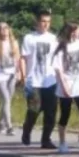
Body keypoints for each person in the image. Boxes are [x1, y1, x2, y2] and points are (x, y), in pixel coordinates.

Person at [20, 10, 59, 149]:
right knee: (34, 109)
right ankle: (27, 130)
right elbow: (23, 58)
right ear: (37, 22)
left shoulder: (53, 39)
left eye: (48, 22)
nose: (45, 24)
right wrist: (24, 76)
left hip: (50, 80)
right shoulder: (29, 38)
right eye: (43, 21)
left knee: (51, 112)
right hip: (34, 79)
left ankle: (46, 139)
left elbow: (58, 59)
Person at [52, 22, 79, 154]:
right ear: (72, 32)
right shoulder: (61, 47)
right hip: (66, 84)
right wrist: (64, 86)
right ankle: (62, 142)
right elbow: (58, 70)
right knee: (65, 115)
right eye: (78, 30)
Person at [0, 22, 21, 136]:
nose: (4, 30)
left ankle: (0, 122)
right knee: (6, 99)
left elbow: (18, 58)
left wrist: (19, 72)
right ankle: (9, 126)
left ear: (9, 30)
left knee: (7, 100)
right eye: (1, 29)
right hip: (0, 75)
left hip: (12, 73)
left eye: (6, 28)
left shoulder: (14, 43)